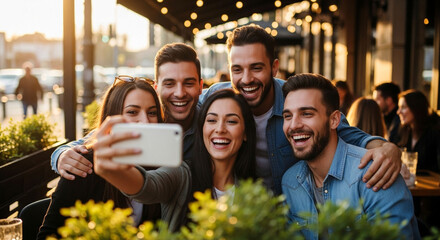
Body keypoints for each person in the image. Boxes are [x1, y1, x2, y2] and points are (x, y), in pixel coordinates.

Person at [200, 24, 402, 195]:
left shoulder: (294, 98)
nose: (246, 79)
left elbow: (347, 133)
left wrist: (387, 148)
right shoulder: (218, 99)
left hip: (293, 211)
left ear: (274, 68)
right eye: (237, 69)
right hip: (244, 209)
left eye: (256, 68)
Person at [92, 89, 256, 232]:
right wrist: (113, 170)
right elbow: (149, 186)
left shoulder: (255, 193)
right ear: (202, 129)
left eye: (232, 121)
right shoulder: (182, 175)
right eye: (212, 120)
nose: (220, 129)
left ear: (245, 133)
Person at [281, 73, 420, 240]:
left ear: (334, 120)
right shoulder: (290, 182)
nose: (294, 125)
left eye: (307, 114)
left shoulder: (376, 173)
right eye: (287, 116)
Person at [50, 43, 203, 180]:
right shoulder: (145, 123)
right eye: (169, 84)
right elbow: (89, 142)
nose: (179, 93)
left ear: (201, 86)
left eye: (188, 83)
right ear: (157, 88)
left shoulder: (211, 120)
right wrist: (61, 156)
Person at [37, 77, 162, 239]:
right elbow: (48, 235)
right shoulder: (83, 164)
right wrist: (60, 154)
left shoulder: (161, 165)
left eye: (152, 113)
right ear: (112, 120)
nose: (145, 122)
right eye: (132, 112)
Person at [397, 90, 440, 173]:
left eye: (403, 107)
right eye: (399, 107)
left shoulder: (435, 132)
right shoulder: (404, 130)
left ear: (416, 108)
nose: (398, 112)